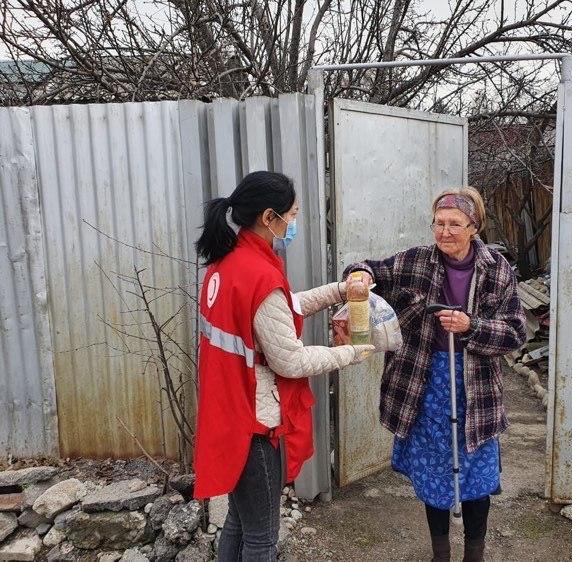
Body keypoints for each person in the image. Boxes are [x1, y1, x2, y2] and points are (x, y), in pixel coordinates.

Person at [194, 171, 374, 561]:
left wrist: (341, 291)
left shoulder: (228, 262)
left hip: (228, 412)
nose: (293, 223)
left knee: (239, 524)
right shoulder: (259, 274)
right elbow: (290, 360)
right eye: (291, 215)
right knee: (261, 537)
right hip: (255, 423)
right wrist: (350, 354)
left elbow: (281, 307)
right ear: (269, 217)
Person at [343, 187, 526, 562]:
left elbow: (515, 333)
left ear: (474, 227)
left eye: (455, 224)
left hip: (477, 388)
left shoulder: (497, 269)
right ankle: (439, 554)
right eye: (439, 223)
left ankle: (474, 555)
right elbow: (366, 269)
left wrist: (471, 326)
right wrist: (358, 275)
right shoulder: (415, 260)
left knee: (476, 476)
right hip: (426, 383)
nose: (444, 232)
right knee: (433, 475)